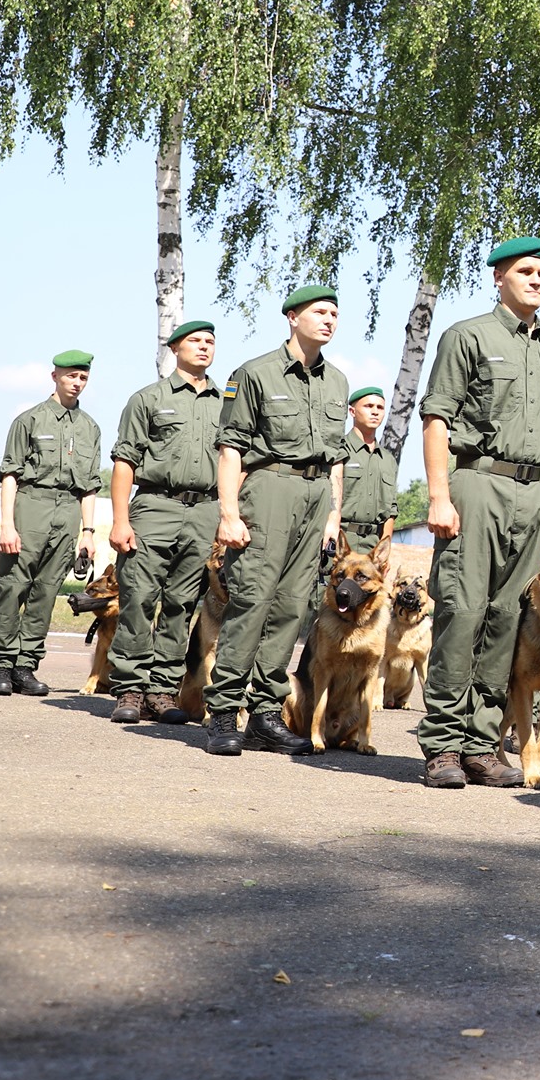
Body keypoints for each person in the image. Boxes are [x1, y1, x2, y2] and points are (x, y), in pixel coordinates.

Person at [416, 238, 540, 789]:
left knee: (508, 617)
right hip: (479, 482)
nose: (538, 280)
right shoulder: (468, 336)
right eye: (525, 271)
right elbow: (437, 417)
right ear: (498, 277)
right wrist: (438, 497)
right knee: (463, 611)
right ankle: (442, 742)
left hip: (537, 496)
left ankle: (481, 743)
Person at [203, 288, 349, 756]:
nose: (329, 320)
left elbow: (336, 460)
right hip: (269, 487)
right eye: (319, 312)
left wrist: (332, 514)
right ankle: (224, 712)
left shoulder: (338, 381)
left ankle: (265, 716)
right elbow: (230, 447)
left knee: (291, 608)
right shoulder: (255, 373)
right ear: (292, 317)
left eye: (334, 314)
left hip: (313, 494)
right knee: (252, 601)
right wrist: (228, 512)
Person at [105, 322, 221, 724]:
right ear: (175, 347)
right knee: (139, 596)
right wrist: (121, 520)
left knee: (181, 604)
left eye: (210, 342)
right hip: (156, 505)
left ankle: (161, 691)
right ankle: (129, 688)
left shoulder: (227, 403)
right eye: (195, 341)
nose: (204, 347)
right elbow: (124, 462)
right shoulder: (148, 399)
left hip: (206, 511)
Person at [0, 350, 102, 696]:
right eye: (71, 376)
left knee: (46, 592)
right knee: (13, 586)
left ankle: (25, 666)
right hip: (31, 505)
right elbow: (9, 475)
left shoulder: (90, 428)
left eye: (83, 377)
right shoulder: (29, 420)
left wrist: (88, 533)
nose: (77, 383)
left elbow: (90, 485)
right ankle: (0, 665)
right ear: (55, 376)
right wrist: (7, 524)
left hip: (68, 511)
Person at [339, 388, 399, 549]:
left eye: (380, 408)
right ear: (352, 411)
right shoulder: (338, 450)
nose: (375, 412)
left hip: (373, 545)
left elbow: (391, 510)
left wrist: (384, 551)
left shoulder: (388, 460)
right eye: (368, 406)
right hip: (340, 540)